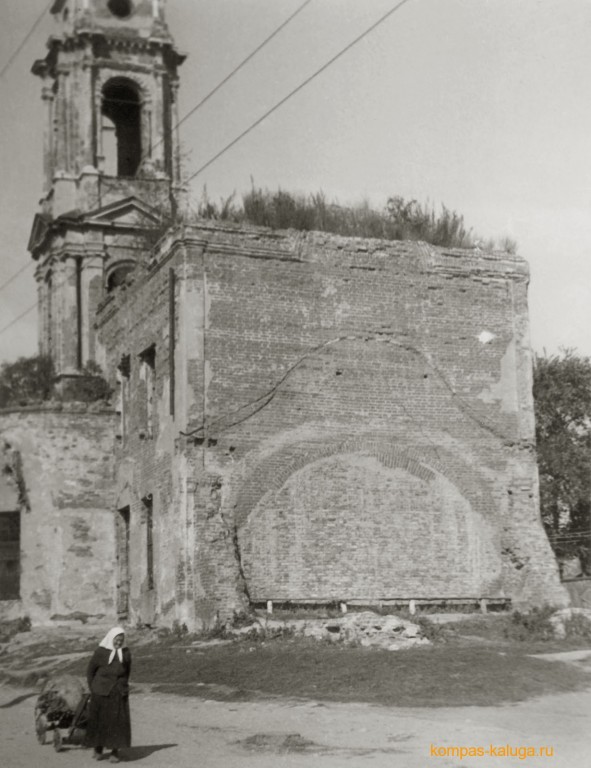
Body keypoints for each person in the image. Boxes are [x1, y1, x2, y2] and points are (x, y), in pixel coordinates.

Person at [85, 627, 132, 763]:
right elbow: (90, 672)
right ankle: (98, 749)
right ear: (111, 638)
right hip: (101, 692)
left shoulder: (126, 653)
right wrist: (93, 688)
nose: (118, 643)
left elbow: (127, 671)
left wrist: (122, 686)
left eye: (121, 641)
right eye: (116, 640)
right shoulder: (100, 652)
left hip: (118, 693)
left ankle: (114, 751)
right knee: (100, 721)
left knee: (117, 724)